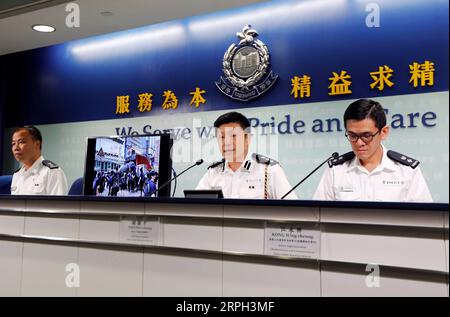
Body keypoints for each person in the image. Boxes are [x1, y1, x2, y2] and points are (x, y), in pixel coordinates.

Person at [313, 99, 433, 202]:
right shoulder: (336, 170)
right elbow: (317, 216)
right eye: (352, 136)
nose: (359, 143)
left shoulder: (407, 171)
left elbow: (427, 219)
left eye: (366, 135)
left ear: (383, 132)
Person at [196, 111, 297, 199]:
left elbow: (293, 210)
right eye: (222, 137)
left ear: (247, 138)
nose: (226, 142)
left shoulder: (269, 170)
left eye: (233, 136)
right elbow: (196, 205)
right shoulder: (213, 172)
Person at [10, 126, 68, 195]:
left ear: (37, 144)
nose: (16, 148)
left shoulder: (52, 173)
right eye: (13, 144)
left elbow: (59, 205)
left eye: (21, 142)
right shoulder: (17, 175)